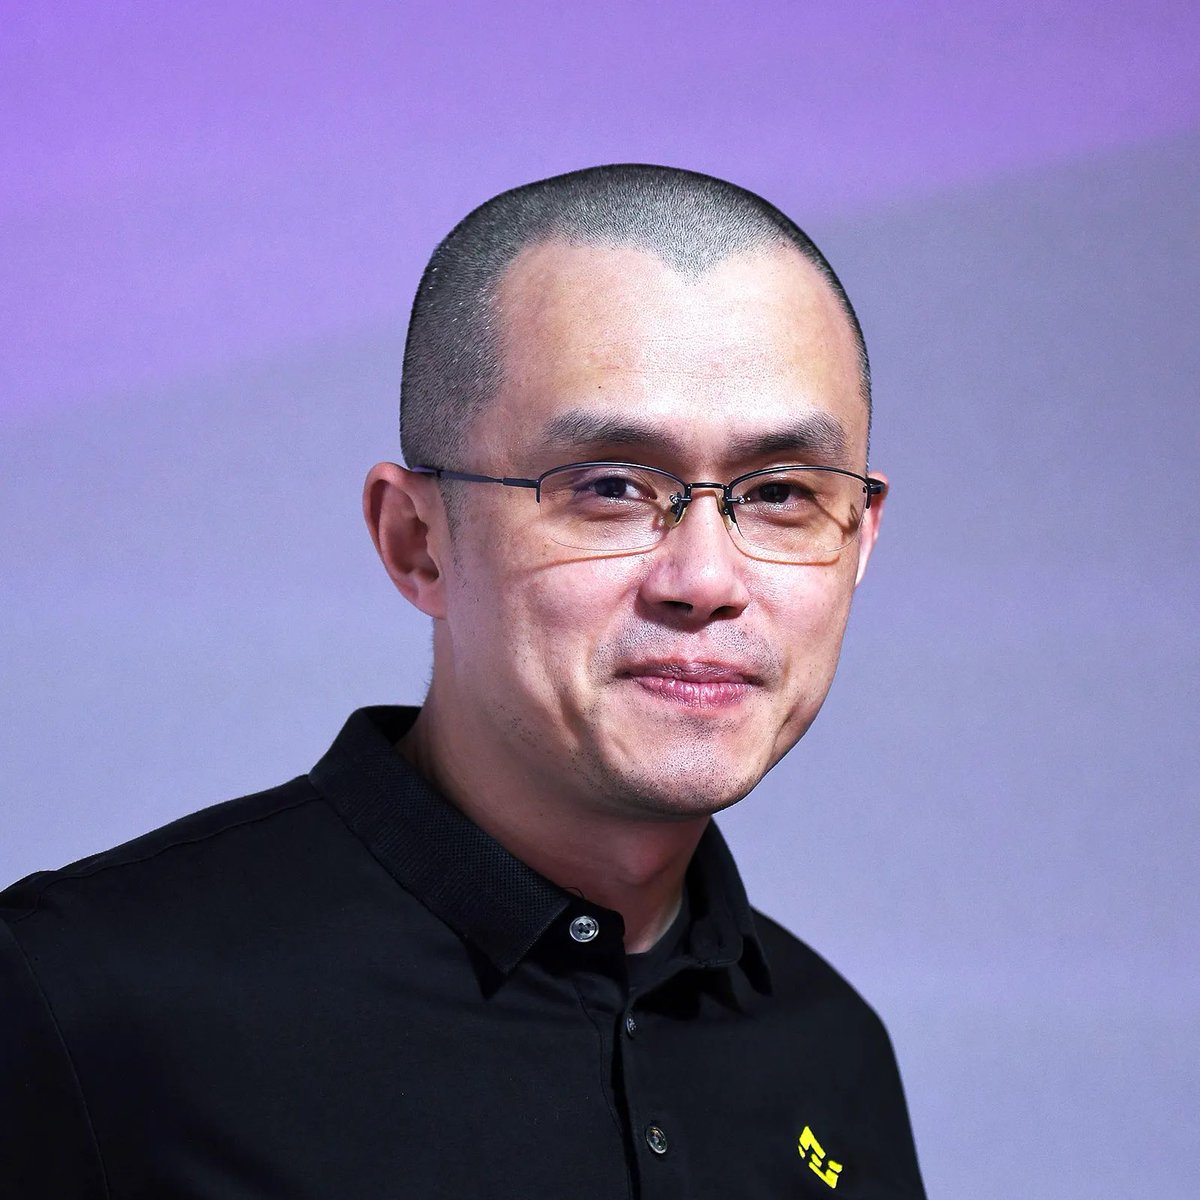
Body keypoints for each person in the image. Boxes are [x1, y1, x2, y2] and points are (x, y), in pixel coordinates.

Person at [0, 165, 926, 1198]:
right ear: (417, 543)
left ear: (860, 539)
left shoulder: (832, 1051)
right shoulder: (76, 1004)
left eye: (784, 492)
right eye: (611, 488)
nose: (705, 580)